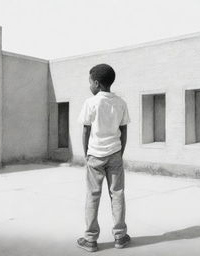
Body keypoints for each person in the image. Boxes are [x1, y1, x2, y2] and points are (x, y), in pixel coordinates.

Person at [77, 64, 131, 252]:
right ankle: (120, 237)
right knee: (117, 194)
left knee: (93, 195)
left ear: (97, 83)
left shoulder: (91, 103)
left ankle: (90, 239)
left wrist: (86, 154)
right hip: (115, 153)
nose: (89, 85)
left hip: (95, 155)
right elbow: (123, 130)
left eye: (90, 82)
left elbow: (86, 130)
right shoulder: (120, 102)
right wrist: (120, 152)